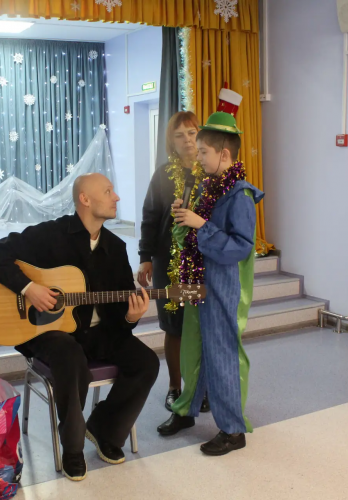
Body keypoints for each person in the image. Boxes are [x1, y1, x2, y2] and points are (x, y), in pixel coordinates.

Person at [0, 173, 159, 482]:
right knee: (69, 355)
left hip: (99, 334)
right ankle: (73, 449)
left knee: (147, 362)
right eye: (108, 191)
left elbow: (119, 318)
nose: (117, 197)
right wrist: (28, 288)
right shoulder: (50, 235)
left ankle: (105, 430)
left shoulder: (115, 248)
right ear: (85, 199)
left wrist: (132, 317)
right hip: (50, 334)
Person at [157, 89, 264, 457]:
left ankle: (232, 430)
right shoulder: (205, 187)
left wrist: (201, 224)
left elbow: (240, 247)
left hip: (222, 287)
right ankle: (185, 409)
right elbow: (189, 237)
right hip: (198, 282)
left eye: (203, 152)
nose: (197, 157)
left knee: (221, 354)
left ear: (224, 155)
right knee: (194, 350)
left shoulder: (241, 196)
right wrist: (182, 218)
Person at [138, 111, 209, 413]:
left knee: (203, 327)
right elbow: (150, 217)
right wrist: (145, 257)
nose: (187, 140)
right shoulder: (163, 175)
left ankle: (200, 386)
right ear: (171, 141)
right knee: (174, 327)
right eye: (179, 135)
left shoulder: (212, 173)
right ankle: (174, 387)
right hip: (169, 262)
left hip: (204, 262)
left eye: (192, 133)